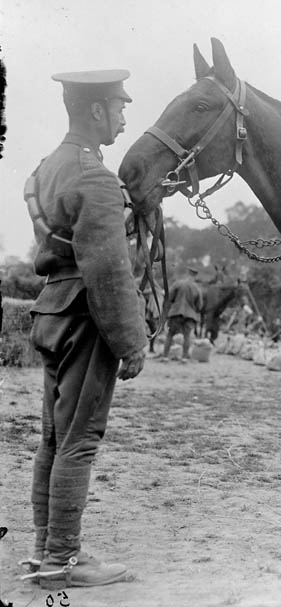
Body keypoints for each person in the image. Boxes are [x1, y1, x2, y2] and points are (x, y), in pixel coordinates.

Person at [23, 70, 147, 589]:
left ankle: (44, 549)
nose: (123, 115)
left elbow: (49, 254)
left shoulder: (46, 167)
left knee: (54, 438)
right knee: (80, 439)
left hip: (52, 310)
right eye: (119, 106)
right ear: (95, 110)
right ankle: (63, 559)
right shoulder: (95, 177)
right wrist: (132, 340)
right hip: (86, 315)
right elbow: (109, 270)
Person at [162, 267, 203, 360]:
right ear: (195, 276)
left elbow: (170, 297)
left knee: (170, 334)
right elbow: (199, 306)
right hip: (190, 315)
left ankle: (165, 357)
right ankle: (184, 358)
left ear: (187, 273)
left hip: (176, 313)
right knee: (187, 336)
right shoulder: (197, 288)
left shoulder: (178, 283)